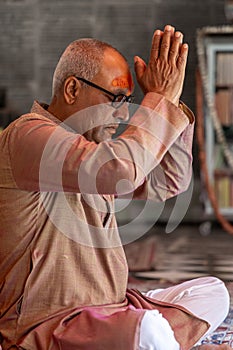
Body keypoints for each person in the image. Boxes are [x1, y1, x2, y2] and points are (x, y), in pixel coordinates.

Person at [0, 25, 230, 350]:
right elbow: (122, 169)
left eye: (130, 101)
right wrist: (159, 100)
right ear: (71, 89)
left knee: (212, 293)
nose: (123, 114)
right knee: (148, 331)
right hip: (51, 327)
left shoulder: (90, 151)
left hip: (112, 308)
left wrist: (171, 103)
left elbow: (171, 179)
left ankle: (148, 337)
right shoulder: (27, 136)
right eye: (117, 98)